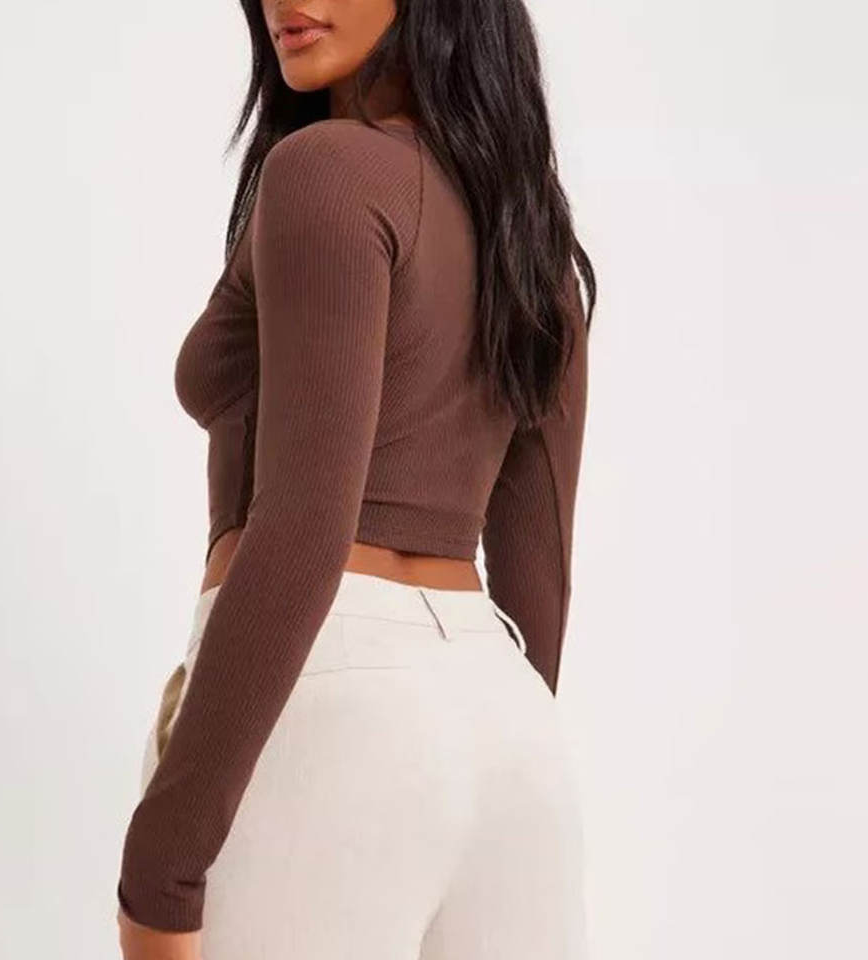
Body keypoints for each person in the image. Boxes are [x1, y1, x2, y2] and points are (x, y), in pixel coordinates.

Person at [115, 0, 596, 957]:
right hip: (512, 736)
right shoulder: (534, 240)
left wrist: (162, 864)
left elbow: (304, 524)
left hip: (327, 711)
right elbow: (539, 583)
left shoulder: (327, 173)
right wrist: (471, 761)